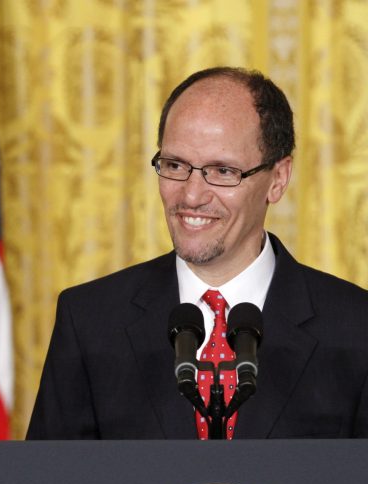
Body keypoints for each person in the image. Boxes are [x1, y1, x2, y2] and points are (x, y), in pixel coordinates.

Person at [27, 67, 368, 440]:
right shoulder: (90, 322)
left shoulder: (356, 329)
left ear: (278, 179)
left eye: (222, 171)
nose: (190, 196)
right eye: (175, 165)